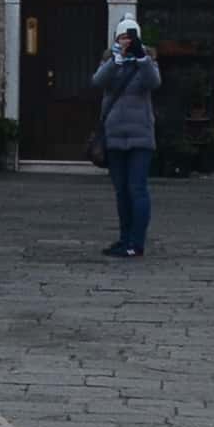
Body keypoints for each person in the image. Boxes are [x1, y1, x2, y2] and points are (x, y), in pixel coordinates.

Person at [94, 20, 161, 258]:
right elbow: (98, 82)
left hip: (140, 136)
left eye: (129, 37)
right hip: (114, 136)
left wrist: (141, 57)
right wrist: (116, 60)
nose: (126, 41)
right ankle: (124, 239)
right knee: (121, 191)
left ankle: (136, 242)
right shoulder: (110, 60)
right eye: (122, 37)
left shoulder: (147, 61)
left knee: (137, 189)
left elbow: (154, 82)